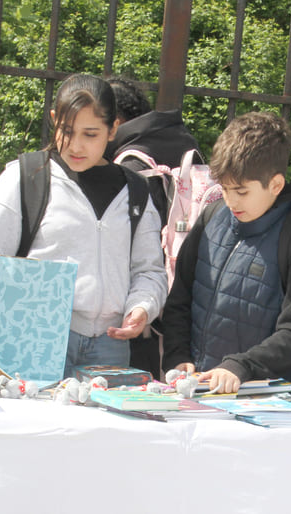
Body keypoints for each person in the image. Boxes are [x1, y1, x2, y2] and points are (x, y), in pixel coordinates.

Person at [0, 74, 167, 378]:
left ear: (113, 129)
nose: (76, 145)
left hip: (110, 342)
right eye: (66, 131)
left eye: (90, 134)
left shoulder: (135, 190)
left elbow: (149, 270)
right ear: (54, 120)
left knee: (100, 427)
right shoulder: (24, 177)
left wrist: (142, 307)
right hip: (34, 337)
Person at [160, 112, 291, 395]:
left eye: (241, 191)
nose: (231, 201)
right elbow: (180, 299)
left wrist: (242, 367)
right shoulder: (212, 216)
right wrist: (178, 356)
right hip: (197, 386)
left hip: (265, 397)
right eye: (224, 189)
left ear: (276, 185)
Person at [105, 77, 202, 379]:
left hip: (136, 318)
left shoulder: (128, 167)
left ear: (115, 123)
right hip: (183, 310)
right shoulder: (188, 150)